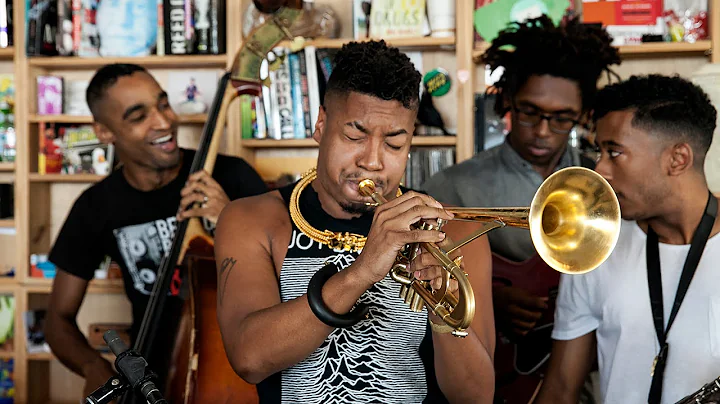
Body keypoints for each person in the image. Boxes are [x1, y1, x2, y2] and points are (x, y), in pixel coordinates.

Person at [213, 39, 496, 403]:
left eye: (394, 143)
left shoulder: (455, 231)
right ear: (320, 125)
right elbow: (249, 359)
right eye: (354, 135)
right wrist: (362, 272)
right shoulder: (252, 220)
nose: (373, 161)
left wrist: (443, 306)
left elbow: (476, 397)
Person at [421, 15, 621, 403]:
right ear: (507, 101)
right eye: (530, 112)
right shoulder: (452, 187)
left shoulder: (603, 189)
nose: (544, 131)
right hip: (494, 376)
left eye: (562, 118)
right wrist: (486, 297)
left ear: (583, 115)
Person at [43, 63, 268, 399]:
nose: (164, 122)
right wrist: (95, 368)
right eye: (138, 116)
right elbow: (57, 320)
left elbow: (292, 276)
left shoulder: (233, 176)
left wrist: (230, 221)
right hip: (151, 379)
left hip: (236, 376)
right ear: (104, 132)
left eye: (163, 104)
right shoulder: (95, 207)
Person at [534, 74, 720, 404]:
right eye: (599, 151)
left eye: (614, 152)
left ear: (678, 159)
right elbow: (561, 388)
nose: (600, 169)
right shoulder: (591, 244)